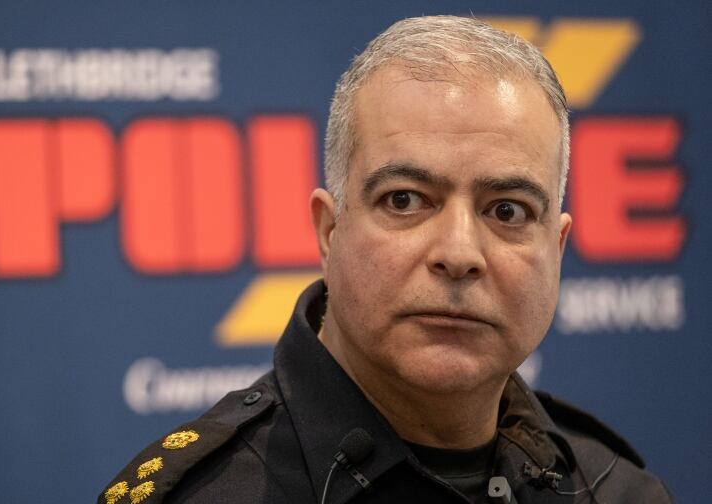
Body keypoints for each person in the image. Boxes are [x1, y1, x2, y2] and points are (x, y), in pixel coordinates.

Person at [99, 15, 673, 504]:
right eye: (405, 200)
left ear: (557, 249)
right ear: (329, 231)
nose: (458, 253)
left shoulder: (616, 490)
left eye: (508, 211)